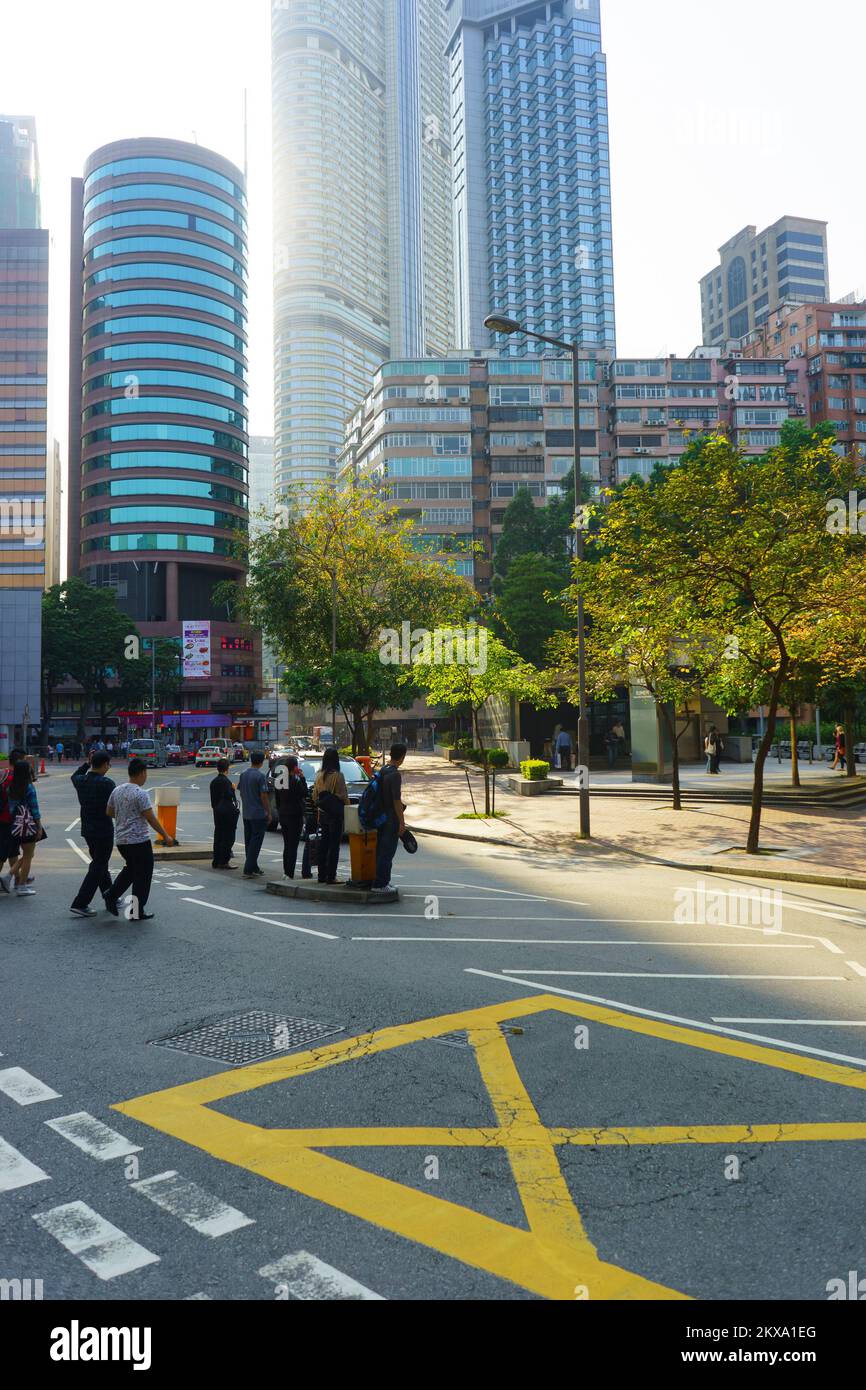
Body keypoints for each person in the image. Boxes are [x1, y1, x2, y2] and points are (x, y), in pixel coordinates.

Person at [104, 758, 177, 921]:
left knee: (131, 869)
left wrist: (125, 816)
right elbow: (151, 818)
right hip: (138, 841)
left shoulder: (117, 790)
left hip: (122, 840)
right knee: (143, 875)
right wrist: (166, 835)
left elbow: (109, 811)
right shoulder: (140, 793)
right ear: (142, 773)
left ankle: (111, 894)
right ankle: (136, 911)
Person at [70, 751, 116, 917]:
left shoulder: (81, 780)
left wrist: (86, 764)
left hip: (88, 830)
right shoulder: (107, 783)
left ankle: (111, 894)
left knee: (100, 863)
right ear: (104, 765)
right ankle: (81, 902)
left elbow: (74, 775)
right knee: (98, 865)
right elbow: (114, 807)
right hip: (103, 829)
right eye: (108, 765)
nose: (109, 768)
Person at [371, 743, 407, 894]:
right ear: (402, 757)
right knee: (387, 852)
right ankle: (380, 884)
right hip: (391, 818)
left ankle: (383, 881)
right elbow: (396, 801)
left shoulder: (383, 770)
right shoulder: (395, 775)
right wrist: (402, 822)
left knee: (381, 850)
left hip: (381, 816)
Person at [4, 760, 42, 896]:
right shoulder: (29, 787)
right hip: (28, 824)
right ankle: (22, 886)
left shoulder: (11, 787)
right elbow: (34, 809)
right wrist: (39, 827)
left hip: (14, 824)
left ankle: (8, 876)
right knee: (28, 856)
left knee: (26, 854)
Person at [312, 747, 349, 885]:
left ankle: (321, 875)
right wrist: (349, 808)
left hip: (322, 814)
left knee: (323, 844)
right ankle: (331, 876)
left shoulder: (319, 775)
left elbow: (314, 796)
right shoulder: (338, 776)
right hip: (335, 816)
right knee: (334, 846)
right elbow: (343, 795)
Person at [238, 751, 273, 878]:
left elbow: (241, 792)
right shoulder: (260, 776)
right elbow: (264, 796)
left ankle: (253, 866)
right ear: (261, 761)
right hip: (258, 814)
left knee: (249, 840)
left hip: (247, 813)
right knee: (256, 842)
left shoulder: (243, 774)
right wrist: (268, 812)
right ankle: (248, 868)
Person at [274, 755, 308, 879]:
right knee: (293, 846)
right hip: (295, 815)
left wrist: (280, 810)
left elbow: (277, 799)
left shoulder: (280, 779)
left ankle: (286, 872)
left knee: (287, 844)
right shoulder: (295, 781)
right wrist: (303, 778)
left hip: (283, 814)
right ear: (295, 767)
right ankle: (290, 873)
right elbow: (304, 793)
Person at [0, 748, 26, 892]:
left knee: (12, 852)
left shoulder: (2, 774)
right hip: (10, 820)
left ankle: (17, 878)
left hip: (3, 819)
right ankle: (16, 879)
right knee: (4, 853)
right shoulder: (16, 779)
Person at [210, 759, 239, 870]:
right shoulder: (226, 782)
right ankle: (224, 861)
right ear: (227, 768)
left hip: (217, 812)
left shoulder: (214, 782)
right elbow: (229, 797)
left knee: (218, 836)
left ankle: (216, 860)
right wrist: (233, 789)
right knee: (228, 837)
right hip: (227, 813)